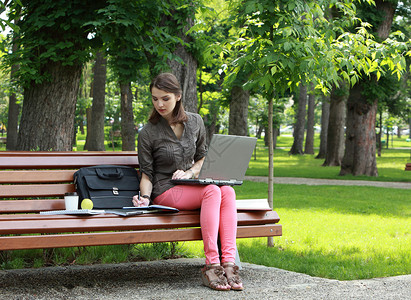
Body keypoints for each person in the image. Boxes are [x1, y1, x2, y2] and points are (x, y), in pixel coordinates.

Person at [133, 73, 243, 291]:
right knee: (213, 190)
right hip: (165, 189)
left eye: (165, 98)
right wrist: (145, 198)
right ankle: (212, 265)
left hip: (191, 185)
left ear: (178, 96)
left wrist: (191, 172)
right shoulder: (148, 132)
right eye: (155, 99)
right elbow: (146, 173)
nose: (159, 104)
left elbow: (202, 157)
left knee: (227, 191)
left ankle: (229, 264)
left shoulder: (195, 122)